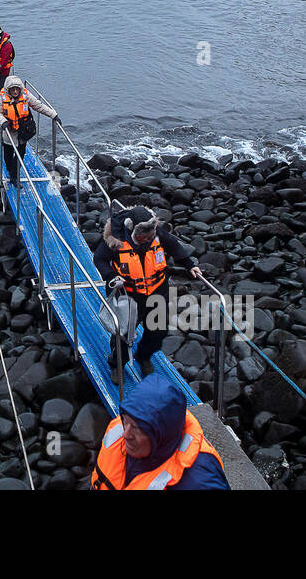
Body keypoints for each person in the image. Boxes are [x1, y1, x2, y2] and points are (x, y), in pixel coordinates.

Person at [91, 203, 201, 380]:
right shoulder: (116, 239)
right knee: (123, 333)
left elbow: (173, 245)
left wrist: (190, 265)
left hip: (158, 291)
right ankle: (118, 364)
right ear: (131, 229)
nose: (146, 239)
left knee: (158, 330)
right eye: (142, 236)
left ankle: (144, 356)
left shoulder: (156, 233)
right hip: (128, 294)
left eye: (149, 235)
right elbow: (99, 259)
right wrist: (111, 277)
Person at [91, 374, 229, 490]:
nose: (125, 434)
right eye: (126, 421)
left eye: (137, 428)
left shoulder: (199, 481)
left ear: (162, 434)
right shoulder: (119, 427)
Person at [0, 75, 56, 198]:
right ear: (8, 90)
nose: (15, 92)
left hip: (23, 131)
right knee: (8, 154)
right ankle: (10, 171)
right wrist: (3, 121)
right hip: (8, 132)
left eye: (17, 89)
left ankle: (15, 176)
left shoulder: (25, 95)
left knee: (21, 153)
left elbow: (38, 106)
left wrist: (53, 115)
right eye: (12, 89)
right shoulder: (1, 97)